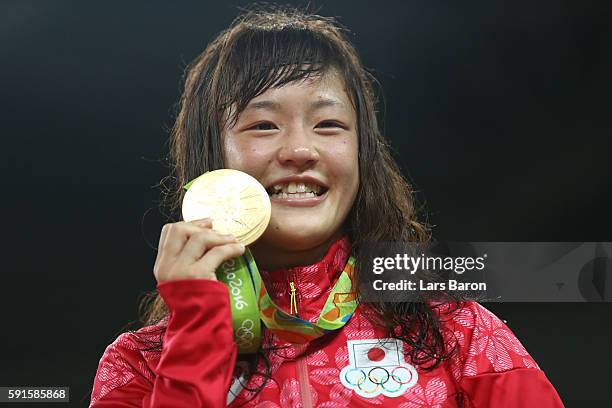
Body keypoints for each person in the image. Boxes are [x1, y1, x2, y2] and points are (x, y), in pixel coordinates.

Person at [89, 6, 565, 407]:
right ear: (210, 159)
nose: (300, 149)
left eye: (329, 124)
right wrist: (196, 329)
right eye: (262, 125)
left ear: (361, 156)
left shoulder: (458, 332)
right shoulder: (138, 364)